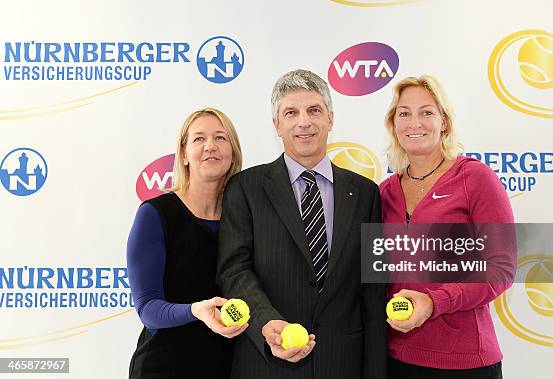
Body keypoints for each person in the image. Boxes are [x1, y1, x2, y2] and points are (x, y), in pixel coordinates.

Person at [217, 69, 387, 379]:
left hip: (342, 364)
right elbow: (234, 270)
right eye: (291, 112)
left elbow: (373, 292)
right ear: (276, 124)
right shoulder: (245, 188)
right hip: (266, 363)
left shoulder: (365, 193)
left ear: (331, 119)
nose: (303, 121)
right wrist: (266, 322)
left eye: (314, 110)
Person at [379, 75, 515, 378]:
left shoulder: (476, 179)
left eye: (426, 112)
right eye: (404, 113)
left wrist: (434, 302)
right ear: (394, 125)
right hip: (396, 358)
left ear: (445, 122)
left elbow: (501, 269)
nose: (415, 123)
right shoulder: (385, 191)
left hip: (464, 362)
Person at [127, 108, 246, 378]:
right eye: (199, 139)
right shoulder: (155, 214)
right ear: (183, 154)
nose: (210, 146)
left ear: (233, 152)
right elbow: (148, 308)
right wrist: (195, 311)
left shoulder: (244, 218)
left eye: (220, 138)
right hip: (164, 367)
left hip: (227, 367)